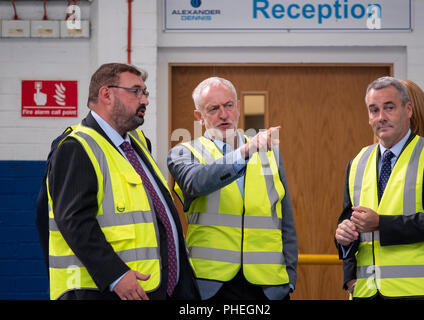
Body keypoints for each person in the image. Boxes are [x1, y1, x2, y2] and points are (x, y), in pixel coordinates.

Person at [46, 63, 199, 300]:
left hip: (155, 286)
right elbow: (74, 222)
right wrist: (115, 275)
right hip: (108, 291)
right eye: (136, 91)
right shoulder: (76, 147)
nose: (145, 100)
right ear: (106, 94)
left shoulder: (136, 143)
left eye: (145, 92)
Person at [167, 77, 298, 300]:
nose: (224, 115)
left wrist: (290, 277)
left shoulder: (270, 152)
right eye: (213, 109)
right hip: (210, 286)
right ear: (199, 116)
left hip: (269, 286)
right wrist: (244, 152)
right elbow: (197, 182)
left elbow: (284, 216)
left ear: (237, 107)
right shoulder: (183, 153)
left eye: (228, 105)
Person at [335, 76, 424, 299]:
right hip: (366, 292)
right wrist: (343, 239)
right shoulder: (357, 162)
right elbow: (347, 222)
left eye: (389, 108)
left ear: (408, 110)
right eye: (374, 110)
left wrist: (381, 223)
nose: (381, 117)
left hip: (421, 292)